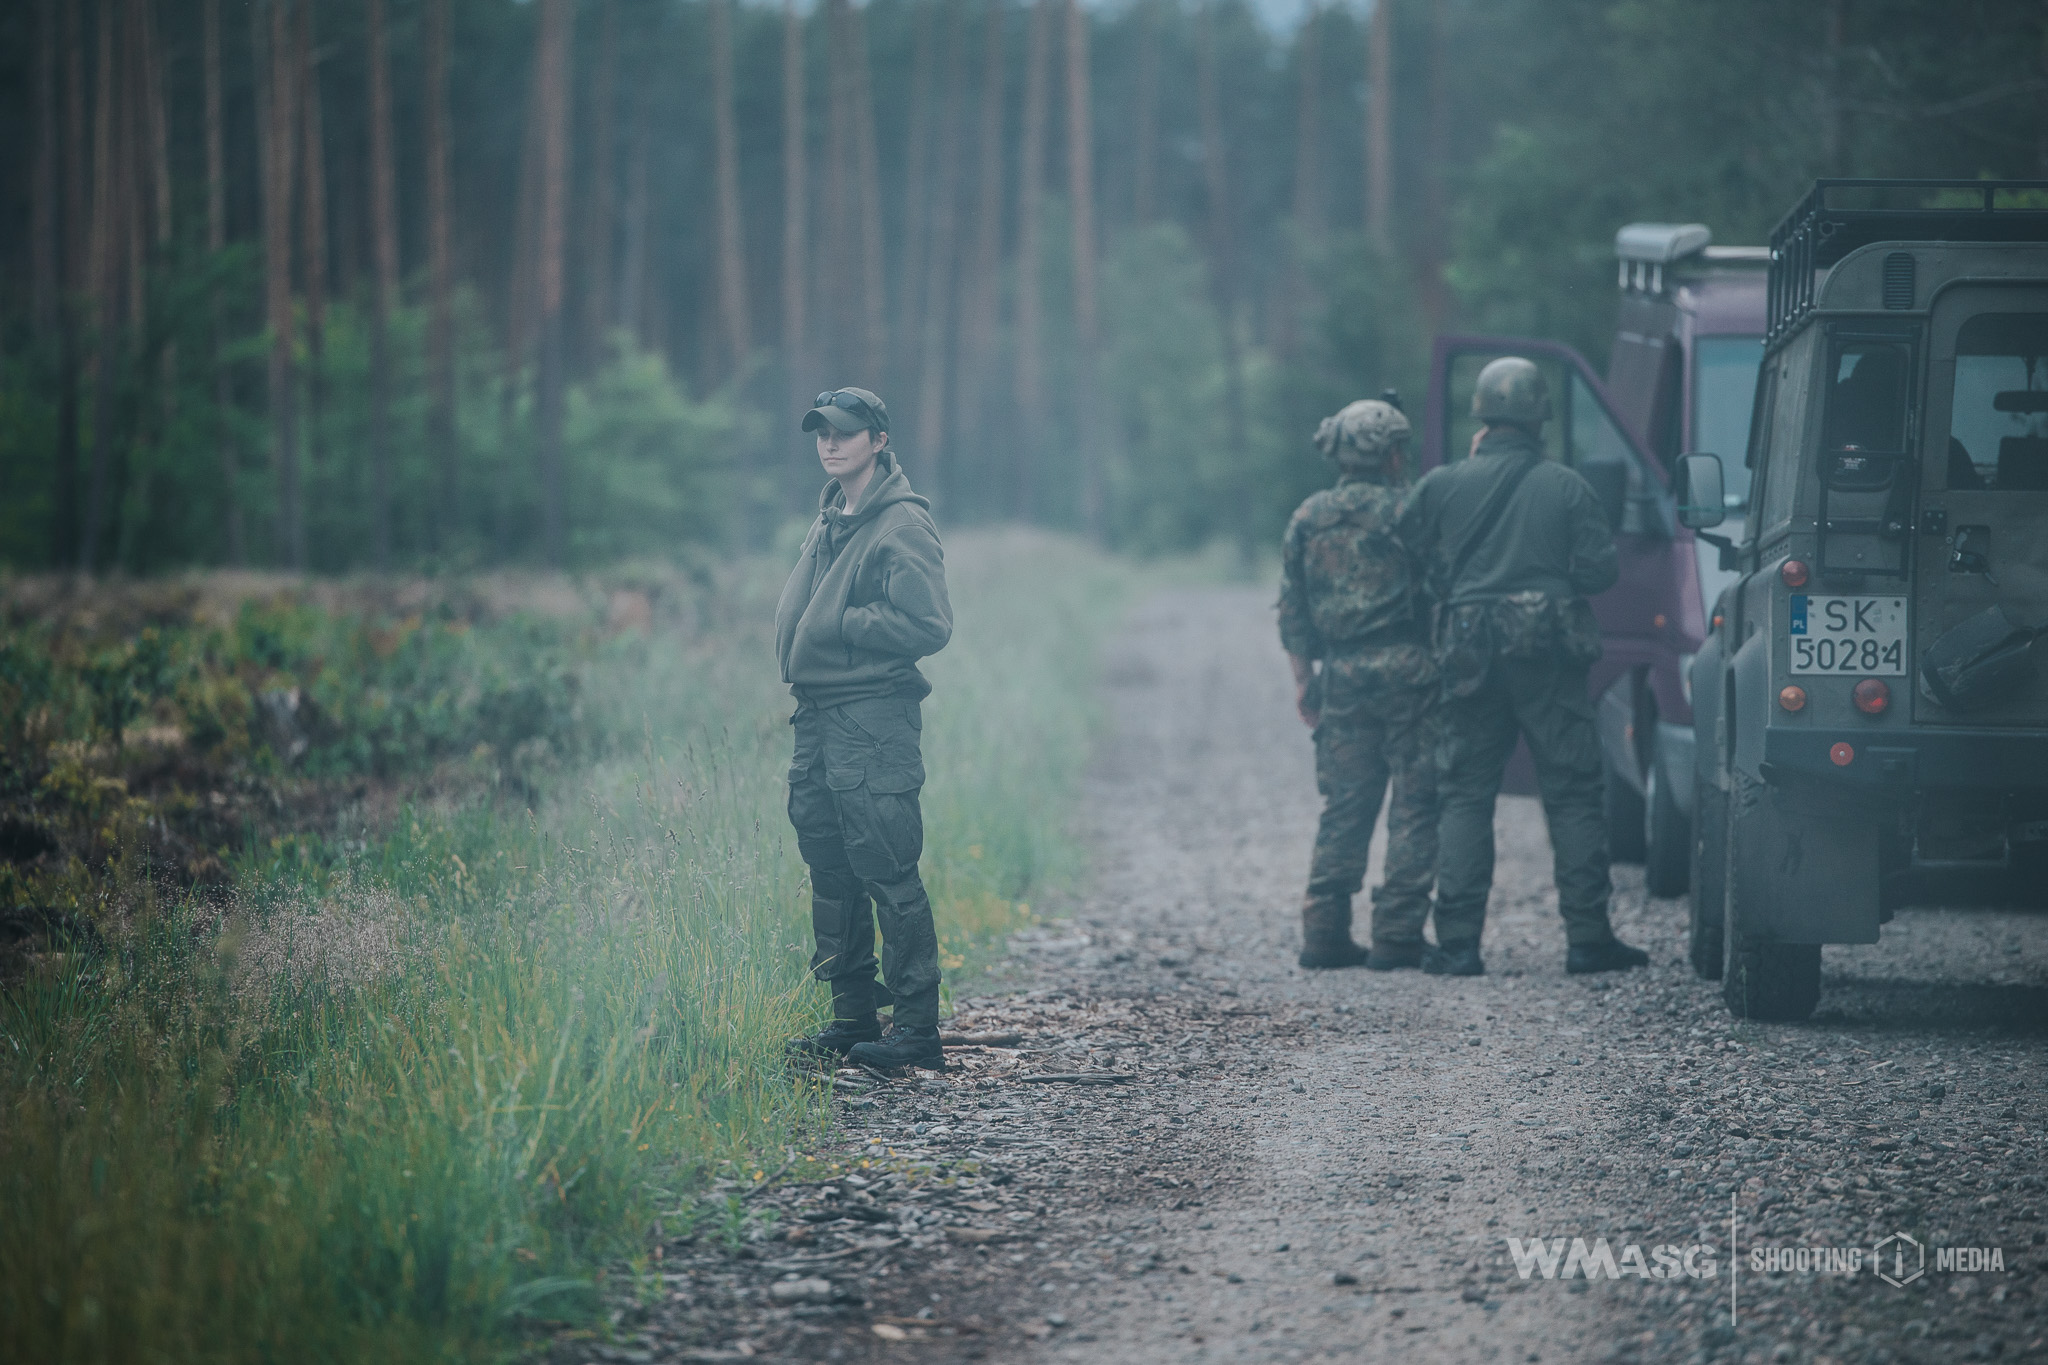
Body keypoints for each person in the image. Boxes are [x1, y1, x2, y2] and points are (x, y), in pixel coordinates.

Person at [1397, 357, 1648, 976]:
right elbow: (1599, 573)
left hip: (1467, 655)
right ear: (1540, 415)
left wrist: (1456, 589)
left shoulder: (1441, 483)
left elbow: (1406, 554)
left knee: (1464, 794)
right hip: (1550, 661)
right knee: (1572, 793)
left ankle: (1457, 945)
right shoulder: (1567, 486)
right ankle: (1588, 940)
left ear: (1480, 413)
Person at [776, 387, 953, 1070]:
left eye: (846, 432)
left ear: (878, 439)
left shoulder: (901, 523)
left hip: (871, 715)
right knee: (830, 868)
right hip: (818, 715)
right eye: (821, 431)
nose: (830, 442)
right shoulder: (834, 516)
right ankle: (851, 1018)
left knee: (886, 867)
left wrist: (843, 624)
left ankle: (916, 1032)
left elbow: (929, 624)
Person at [1278, 399, 1440, 970]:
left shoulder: (1307, 517)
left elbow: (1293, 613)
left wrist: (1305, 683)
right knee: (1416, 800)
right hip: (1412, 672)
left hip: (1341, 675)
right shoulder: (1412, 511)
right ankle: (1397, 935)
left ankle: (1323, 931)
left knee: (1345, 801)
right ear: (1393, 453)